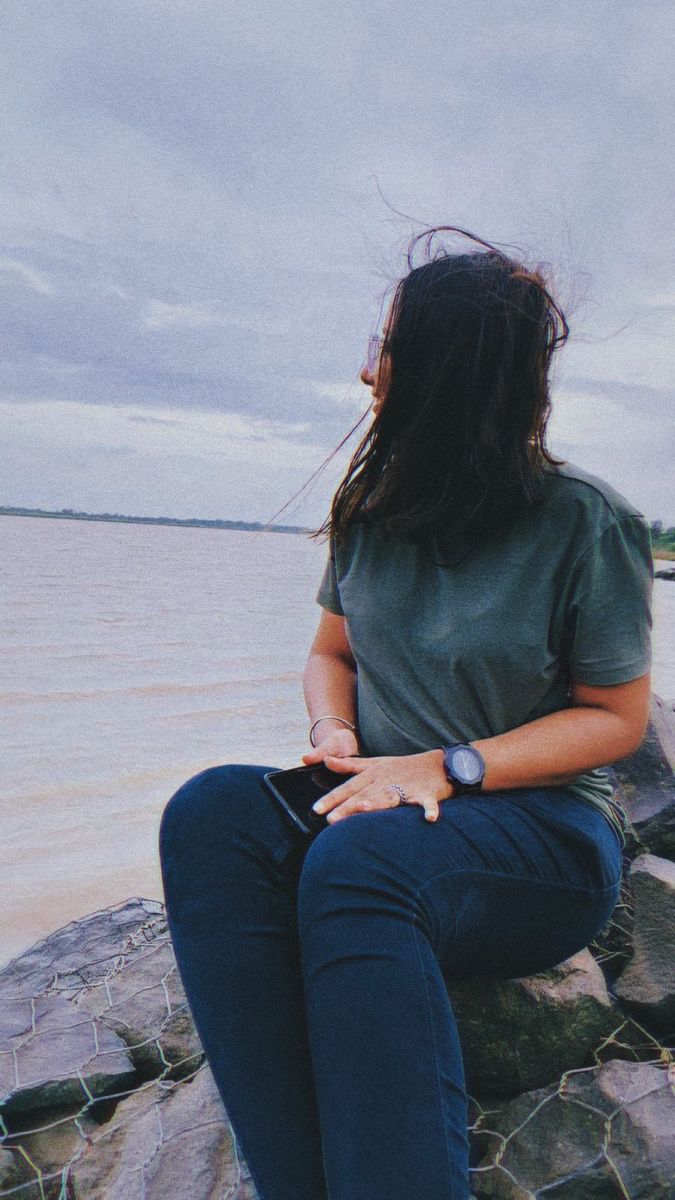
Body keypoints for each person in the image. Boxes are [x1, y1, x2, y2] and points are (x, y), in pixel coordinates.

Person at [159, 226, 653, 1200]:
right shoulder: (370, 510)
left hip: (541, 833)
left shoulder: (585, 523)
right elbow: (330, 655)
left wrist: (446, 767)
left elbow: (615, 720)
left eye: (385, 348)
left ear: (444, 376)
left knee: (360, 865)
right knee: (210, 813)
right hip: (381, 801)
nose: (365, 370)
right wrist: (333, 735)